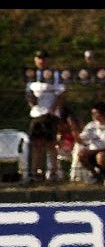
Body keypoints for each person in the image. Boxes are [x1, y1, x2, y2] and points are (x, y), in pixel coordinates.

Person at [25, 49, 66, 183]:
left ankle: (52, 171)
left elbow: (60, 93)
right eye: (38, 58)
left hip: (50, 114)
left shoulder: (54, 75)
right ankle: (36, 172)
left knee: (50, 143)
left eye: (43, 58)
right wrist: (31, 102)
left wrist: (53, 110)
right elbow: (29, 93)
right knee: (37, 144)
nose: (40, 61)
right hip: (36, 113)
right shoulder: (32, 75)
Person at [76, 101, 105, 185]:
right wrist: (74, 130)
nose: (93, 116)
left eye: (95, 113)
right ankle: (95, 175)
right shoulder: (91, 126)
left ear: (103, 113)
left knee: (101, 156)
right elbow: (81, 139)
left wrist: (90, 151)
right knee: (81, 154)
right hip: (94, 153)